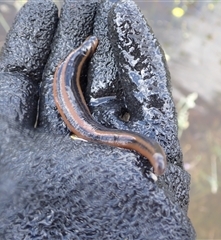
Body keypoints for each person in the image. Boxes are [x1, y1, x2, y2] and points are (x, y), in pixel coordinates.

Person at [0, 0, 195, 239]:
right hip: (83, 118)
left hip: (82, 112)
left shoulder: (72, 62)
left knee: (86, 116)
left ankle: (156, 158)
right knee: (86, 118)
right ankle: (155, 158)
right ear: (88, 49)